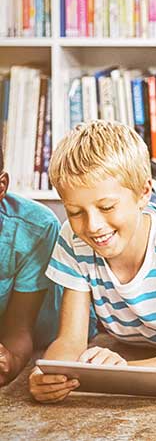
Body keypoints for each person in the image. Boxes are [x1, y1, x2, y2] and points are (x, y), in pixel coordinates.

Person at [30, 121, 156, 403]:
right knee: (115, 230)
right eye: (75, 211)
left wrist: (123, 371)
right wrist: (48, 373)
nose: (92, 226)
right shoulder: (73, 237)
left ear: (143, 193)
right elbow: (71, 340)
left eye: (106, 207)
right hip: (135, 321)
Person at [0, 146, 60, 387]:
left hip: (47, 331)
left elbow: (19, 329)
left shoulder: (36, 229)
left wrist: (9, 362)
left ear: (1, 186)